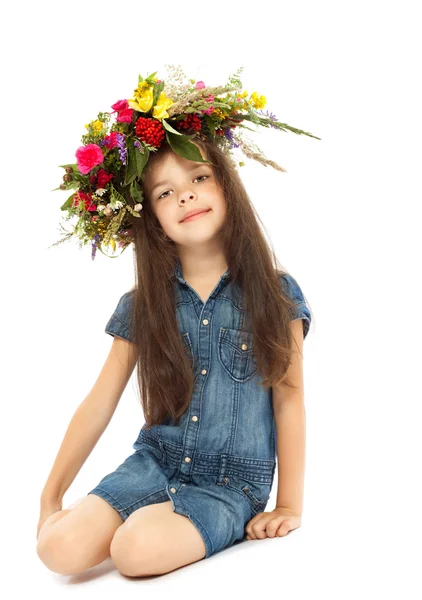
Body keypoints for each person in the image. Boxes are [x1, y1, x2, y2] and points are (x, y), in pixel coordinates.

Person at [36, 66, 316, 577]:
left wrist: (288, 505)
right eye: (164, 193)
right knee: (57, 551)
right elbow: (100, 402)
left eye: (199, 178)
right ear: (151, 217)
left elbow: (289, 396)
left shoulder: (274, 295)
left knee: (134, 551)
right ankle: (132, 513)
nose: (184, 195)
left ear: (226, 186)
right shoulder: (143, 304)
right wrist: (50, 495)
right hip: (155, 463)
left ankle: (159, 523)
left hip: (231, 481)